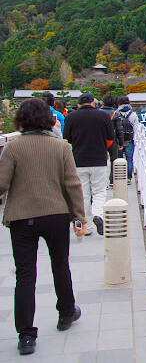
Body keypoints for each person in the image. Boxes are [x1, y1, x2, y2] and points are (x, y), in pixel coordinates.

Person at [0, 99, 85, 355]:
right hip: (56, 214)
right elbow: (73, 184)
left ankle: (26, 335)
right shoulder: (61, 147)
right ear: (49, 119)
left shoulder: (12, 148)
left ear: (21, 120)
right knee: (60, 264)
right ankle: (66, 313)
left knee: (25, 275)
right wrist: (78, 216)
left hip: (22, 217)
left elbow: (1, 184)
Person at [63, 92, 114, 236]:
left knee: (83, 194)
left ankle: (87, 227)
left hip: (78, 160)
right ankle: (98, 214)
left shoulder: (71, 117)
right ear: (93, 102)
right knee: (99, 191)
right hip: (99, 158)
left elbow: (67, 138)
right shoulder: (103, 116)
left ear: (79, 104)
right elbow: (110, 138)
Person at [112, 96, 139, 181]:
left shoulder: (116, 113)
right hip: (129, 140)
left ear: (119, 103)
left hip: (118, 140)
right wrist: (135, 140)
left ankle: (119, 177)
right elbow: (136, 129)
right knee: (129, 159)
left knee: (118, 159)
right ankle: (129, 178)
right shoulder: (133, 114)